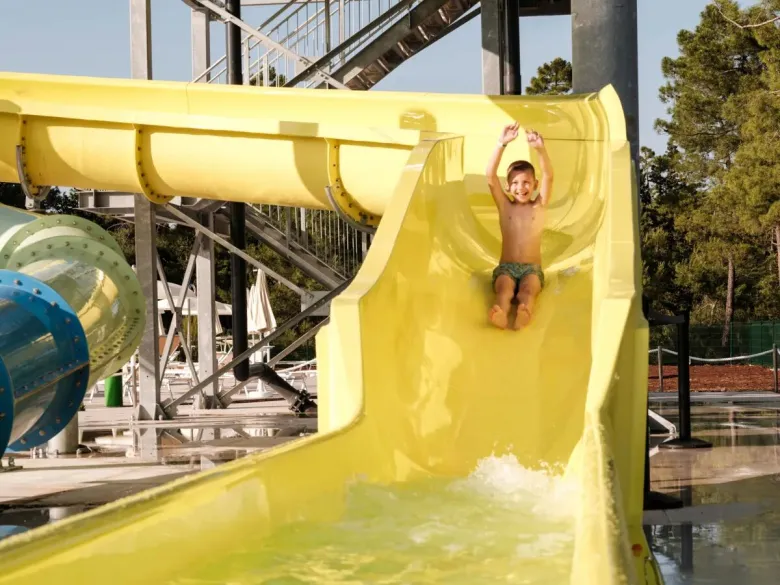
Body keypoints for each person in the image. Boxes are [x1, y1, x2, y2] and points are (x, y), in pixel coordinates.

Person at [485, 122, 553, 330]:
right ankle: (501, 313)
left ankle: (524, 312)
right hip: (506, 267)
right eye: (514, 183)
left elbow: (549, 176)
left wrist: (540, 150)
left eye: (525, 182)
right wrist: (501, 144)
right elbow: (490, 175)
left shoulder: (538, 206)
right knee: (504, 289)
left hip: (531, 269)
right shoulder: (505, 207)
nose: (520, 187)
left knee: (528, 290)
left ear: (534, 184)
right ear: (507, 186)